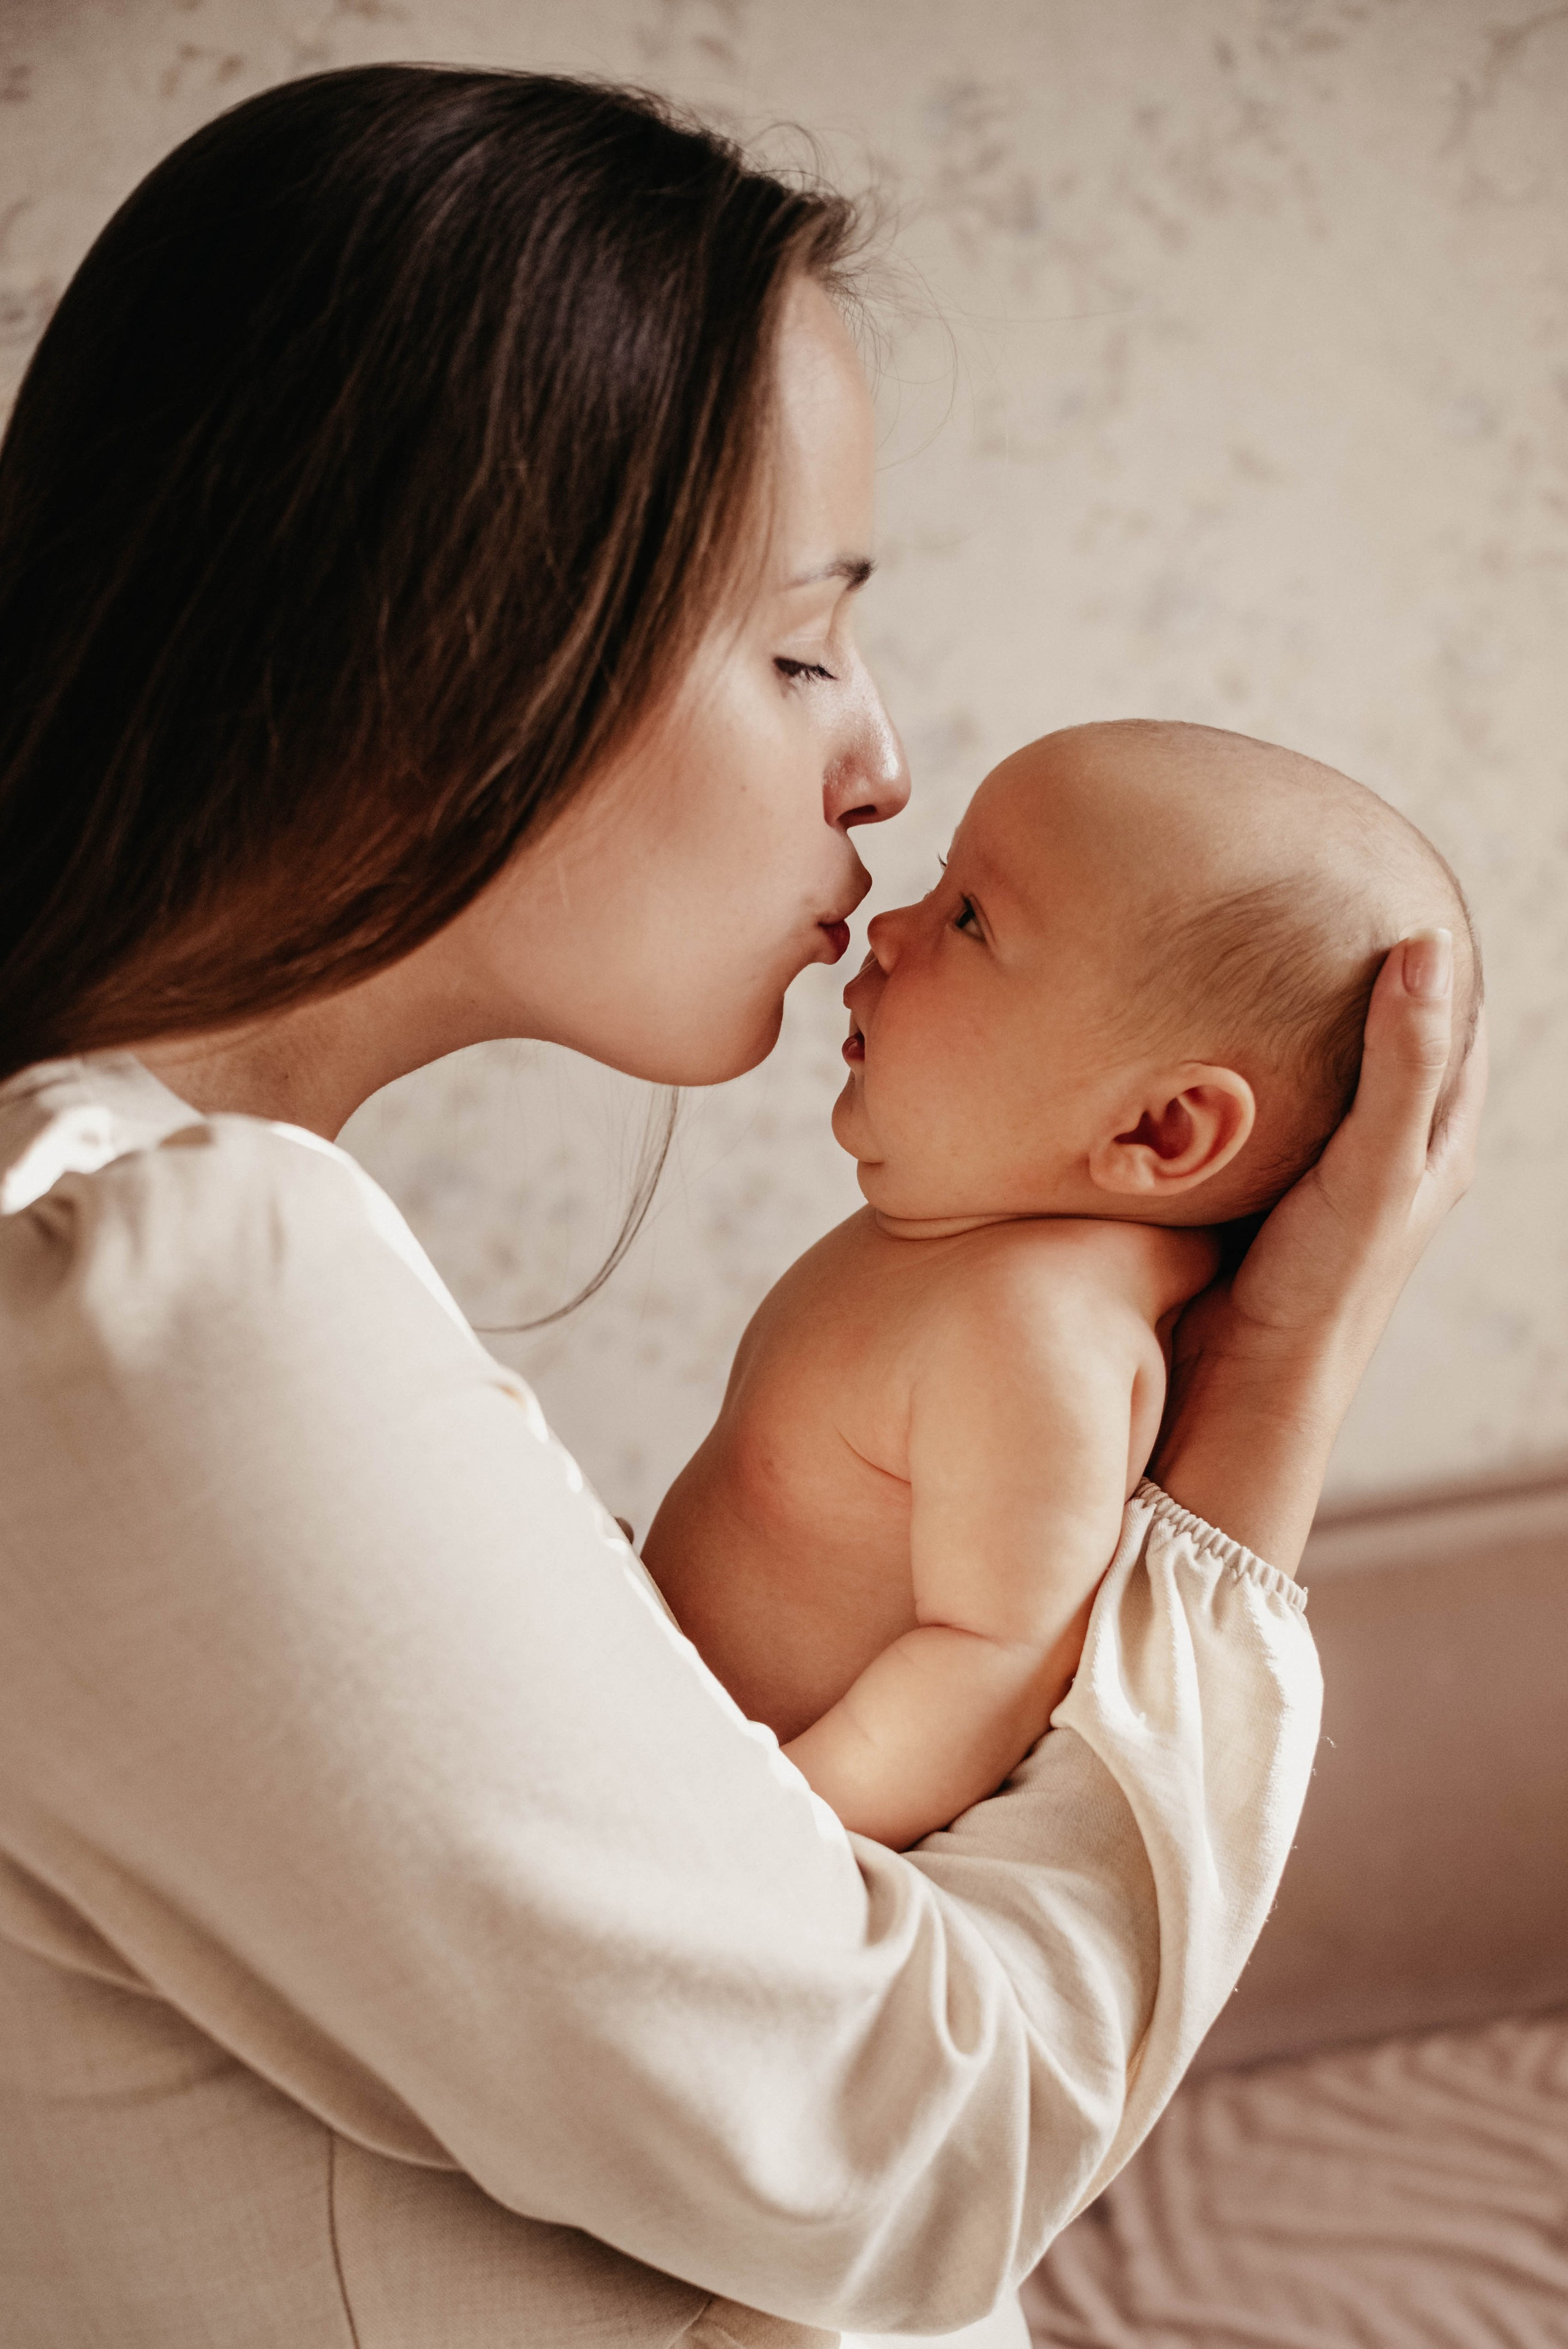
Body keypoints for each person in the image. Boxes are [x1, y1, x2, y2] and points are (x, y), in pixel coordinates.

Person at [0, 65, 1483, 2349]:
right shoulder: (169, 1301)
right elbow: (920, 2153)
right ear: (448, 640)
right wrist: (1257, 1429)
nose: (880, 763)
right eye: (801, 645)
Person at [645, 720, 1481, 1851]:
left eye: (970, 922)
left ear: (1159, 1126)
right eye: (944, 889)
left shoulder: (1032, 1327)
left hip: (759, 1834)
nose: (887, 932)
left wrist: (753, 1842)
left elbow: (989, 1662)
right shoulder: (971, 1257)